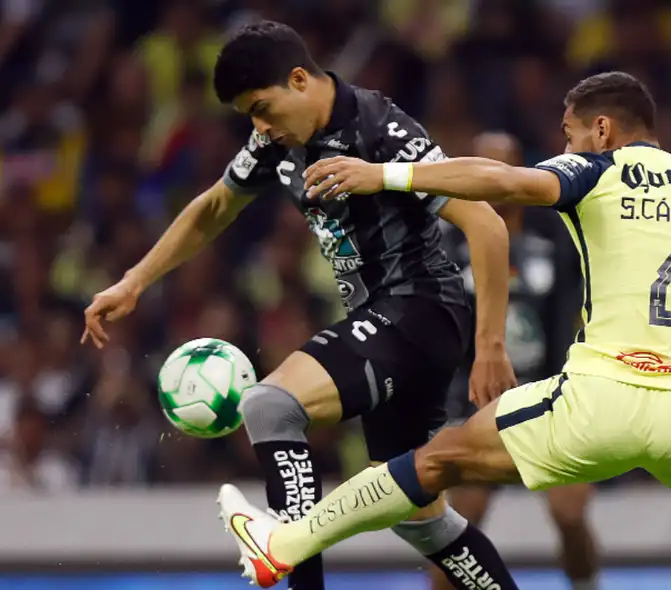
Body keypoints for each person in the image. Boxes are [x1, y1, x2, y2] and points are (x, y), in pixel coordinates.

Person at [216, 71, 671, 590]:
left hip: (606, 397)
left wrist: (389, 177)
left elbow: (504, 183)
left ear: (600, 129)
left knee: (436, 461)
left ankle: (283, 543)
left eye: (569, 133)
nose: (563, 144)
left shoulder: (598, 173)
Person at [80, 21, 521, 590]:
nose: (260, 128)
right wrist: (135, 281)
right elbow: (216, 205)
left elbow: (486, 223)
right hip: (393, 320)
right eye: (250, 117)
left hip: (418, 308)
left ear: (299, 80)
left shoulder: (377, 127)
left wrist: (490, 347)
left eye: (264, 109)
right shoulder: (276, 139)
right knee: (419, 516)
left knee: (270, 405)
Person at [433, 131, 600, 590]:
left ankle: (586, 585)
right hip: (472, 398)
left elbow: (578, 315)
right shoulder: (445, 248)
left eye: (500, 166)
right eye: (480, 166)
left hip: (548, 393)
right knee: (460, 523)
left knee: (570, 512)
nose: (489, 179)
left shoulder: (556, 241)